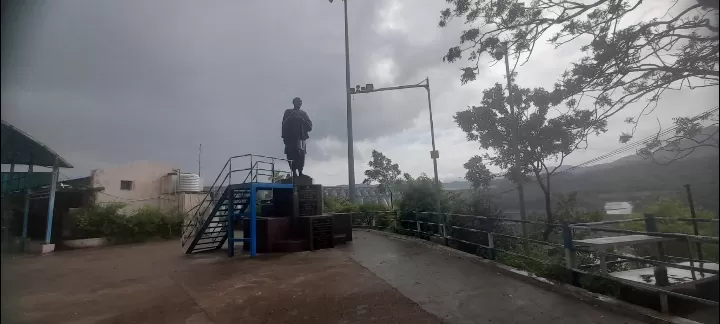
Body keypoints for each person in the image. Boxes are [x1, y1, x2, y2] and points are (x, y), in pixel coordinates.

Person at [281, 97, 312, 177]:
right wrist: (285, 136)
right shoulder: (289, 112)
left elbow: (310, 126)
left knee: (301, 155)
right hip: (290, 138)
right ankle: (294, 172)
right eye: (298, 102)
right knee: (291, 154)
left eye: (300, 102)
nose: (299, 103)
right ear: (293, 103)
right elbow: (284, 123)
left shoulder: (304, 114)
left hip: (301, 138)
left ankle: (300, 172)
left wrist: (303, 121)